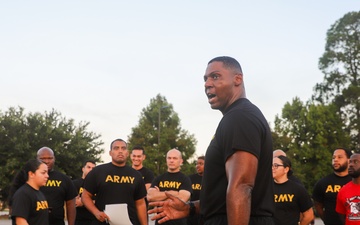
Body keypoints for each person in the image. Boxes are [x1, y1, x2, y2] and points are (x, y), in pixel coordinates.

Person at [148, 56, 275, 225]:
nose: (207, 83)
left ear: (238, 79)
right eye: (205, 79)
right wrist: (190, 208)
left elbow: (241, 187)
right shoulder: (235, 118)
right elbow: (223, 195)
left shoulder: (240, 117)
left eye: (215, 76)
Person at [82, 138, 147, 225]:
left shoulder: (136, 175)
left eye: (123, 148)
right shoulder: (98, 171)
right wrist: (96, 212)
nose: (120, 151)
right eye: (116, 148)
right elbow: (85, 196)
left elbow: (140, 204)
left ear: (127, 153)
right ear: (110, 153)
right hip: (102, 222)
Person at [147, 148, 192, 225]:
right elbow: (150, 197)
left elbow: (182, 199)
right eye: (169, 158)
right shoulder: (159, 178)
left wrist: (159, 195)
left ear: (181, 161)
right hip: (160, 221)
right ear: (166, 160)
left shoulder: (185, 179)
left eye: (175, 158)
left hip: (179, 222)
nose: (171, 160)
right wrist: (174, 193)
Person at [37, 147, 77, 225]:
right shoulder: (30, 178)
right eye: (42, 158)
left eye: (50, 158)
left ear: (54, 159)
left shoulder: (64, 179)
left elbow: (71, 205)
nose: (46, 161)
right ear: (37, 159)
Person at [313, 148, 352, 225]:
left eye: (339, 157)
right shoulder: (323, 183)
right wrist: (327, 220)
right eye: (333, 158)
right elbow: (318, 205)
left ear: (349, 160)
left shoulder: (356, 181)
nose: (335, 160)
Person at [272, 155, 314, 225]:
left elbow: (309, 215)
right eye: (271, 165)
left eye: (276, 165)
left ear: (286, 169)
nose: (272, 168)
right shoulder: (266, 189)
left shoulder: (298, 189)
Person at [10, 159, 49, 225]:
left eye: (47, 173)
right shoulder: (23, 194)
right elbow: (20, 222)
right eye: (43, 173)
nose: (47, 176)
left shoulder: (39, 193)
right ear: (31, 174)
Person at [336, 153, 360, 224]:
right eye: (350, 162)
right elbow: (342, 215)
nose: (351, 165)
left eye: (356, 162)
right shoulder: (343, 190)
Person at [73, 160, 96, 225]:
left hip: (94, 220)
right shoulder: (74, 184)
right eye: (89, 167)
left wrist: (83, 202)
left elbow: (100, 202)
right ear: (83, 169)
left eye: (93, 168)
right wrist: (91, 202)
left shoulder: (97, 185)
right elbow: (74, 202)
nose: (91, 170)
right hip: (78, 220)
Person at [187, 156, 205, 225]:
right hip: (192, 214)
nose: (198, 166)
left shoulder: (210, 179)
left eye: (201, 164)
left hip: (205, 213)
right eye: (197, 163)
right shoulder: (190, 179)